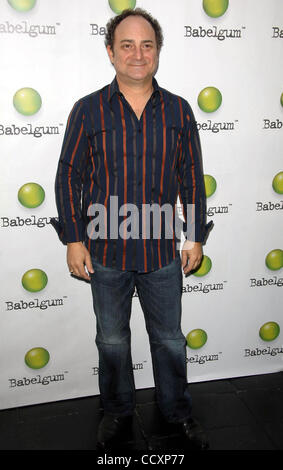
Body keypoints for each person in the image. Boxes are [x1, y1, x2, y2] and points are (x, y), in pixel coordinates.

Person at [51, 8, 212, 450]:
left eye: (147, 45)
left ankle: (176, 412)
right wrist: (73, 239)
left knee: (170, 341)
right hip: (105, 253)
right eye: (127, 45)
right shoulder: (87, 110)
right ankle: (117, 412)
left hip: (161, 251)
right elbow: (69, 177)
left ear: (157, 52)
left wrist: (194, 234)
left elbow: (192, 177)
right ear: (110, 52)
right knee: (113, 342)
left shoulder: (179, 110)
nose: (137, 54)